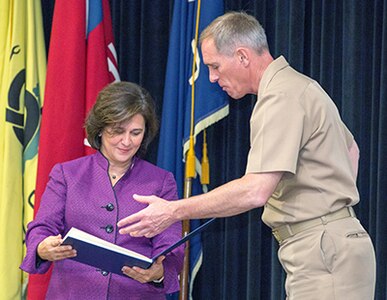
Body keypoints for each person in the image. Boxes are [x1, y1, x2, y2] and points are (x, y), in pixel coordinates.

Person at [117, 12, 376, 300]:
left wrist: (172, 211)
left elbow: (255, 192)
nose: (213, 78)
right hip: (329, 246)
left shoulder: (280, 97)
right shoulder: (299, 87)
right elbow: (351, 153)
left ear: (242, 56)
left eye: (215, 67)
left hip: (323, 251)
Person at [20, 81, 184, 299]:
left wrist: (158, 272)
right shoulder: (67, 175)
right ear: (100, 129)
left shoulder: (161, 182)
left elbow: (172, 249)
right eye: (117, 131)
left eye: (136, 132)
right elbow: (41, 228)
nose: (126, 141)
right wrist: (42, 247)